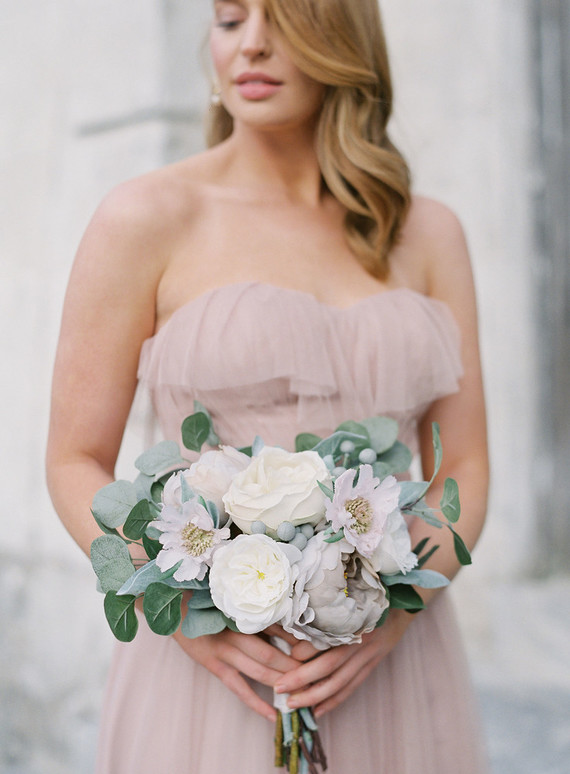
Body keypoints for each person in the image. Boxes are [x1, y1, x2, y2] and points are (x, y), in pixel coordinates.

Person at [46, 0, 489, 772]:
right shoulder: (145, 218)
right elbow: (72, 460)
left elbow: (467, 467)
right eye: (229, 19)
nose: (251, 44)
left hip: (384, 665)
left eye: (282, 19)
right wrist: (179, 611)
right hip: (214, 671)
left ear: (340, 38)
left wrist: (393, 620)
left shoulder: (428, 233)